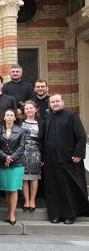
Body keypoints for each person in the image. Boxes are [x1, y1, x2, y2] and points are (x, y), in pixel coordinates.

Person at [44, 94, 89, 224]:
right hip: (51, 160)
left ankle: (70, 215)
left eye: (57, 101)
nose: (55, 104)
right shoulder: (48, 118)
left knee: (68, 188)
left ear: (63, 102)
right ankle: (55, 215)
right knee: (53, 188)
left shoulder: (71, 116)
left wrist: (79, 154)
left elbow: (81, 136)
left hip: (69, 159)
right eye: (53, 102)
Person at [0, 109, 25, 225]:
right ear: (4, 117)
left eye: (11, 115)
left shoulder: (20, 131)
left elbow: (22, 147)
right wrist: (5, 158)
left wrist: (11, 158)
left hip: (16, 164)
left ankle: (12, 215)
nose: (9, 117)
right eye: (7, 115)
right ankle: (9, 213)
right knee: (7, 190)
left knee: (13, 189)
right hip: (3, 163)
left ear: (15, 118)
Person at [21, 100, 44, 212]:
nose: (29, 110)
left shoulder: (41, 123)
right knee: (24, 178)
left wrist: (43, 156)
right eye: (27, 108)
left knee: (34, 177)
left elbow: (43, 140)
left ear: (35, 109)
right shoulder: (19, 121)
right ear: (24, 111)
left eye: (31, 108)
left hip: (36, 152)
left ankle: (33, 200)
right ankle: (26, 200)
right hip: (22, 152)